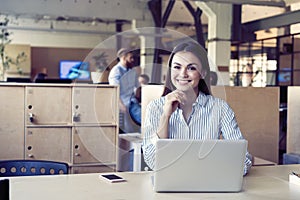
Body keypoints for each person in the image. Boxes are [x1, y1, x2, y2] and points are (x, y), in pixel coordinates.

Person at [142, 41, 252, 175]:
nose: (183, 74)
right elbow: (153, 162)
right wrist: (166, 116)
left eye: (191, 68)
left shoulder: (220, 108)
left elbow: (244, 160)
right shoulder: (155, 108)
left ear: (203, 73)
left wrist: (207, 171)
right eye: (177, 67)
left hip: (209, 185)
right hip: (170, 187)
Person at [108, 48, 140, 133]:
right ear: (123, 57)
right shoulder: (116, 71)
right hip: (123, 103)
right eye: (131, 58)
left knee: (144, 117)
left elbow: (138, 87)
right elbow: (114, 90)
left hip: (133, 102)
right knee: (130, 127)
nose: (133, 60)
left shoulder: (132, 71)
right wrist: (121, 105)